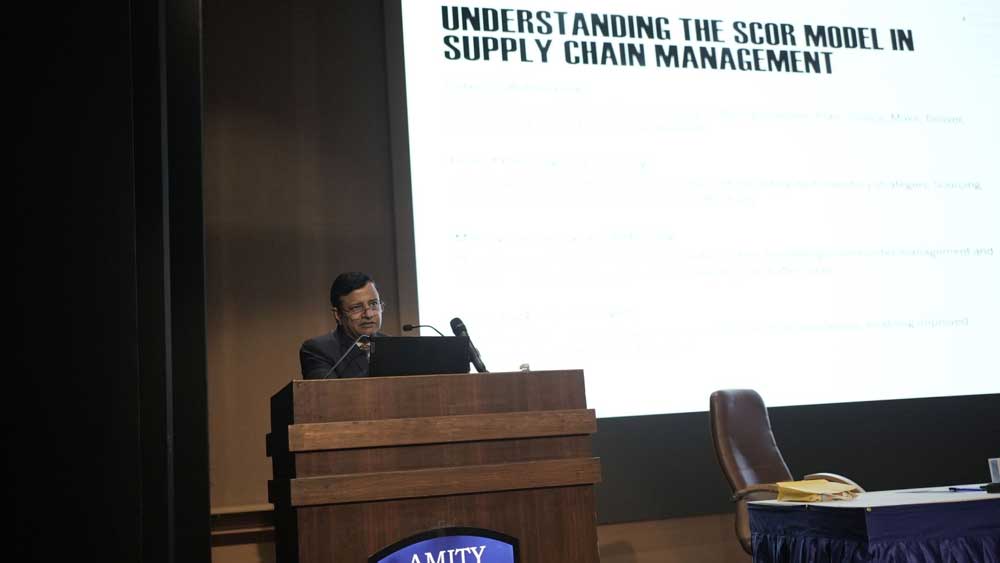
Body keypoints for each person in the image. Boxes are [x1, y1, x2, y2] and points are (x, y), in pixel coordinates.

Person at [299, 272, 385, 379]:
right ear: (338, 315)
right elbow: (328, 389)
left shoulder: (394, 346)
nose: (368, 314)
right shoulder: (318, 350)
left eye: (374, 304)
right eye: (357, 307)